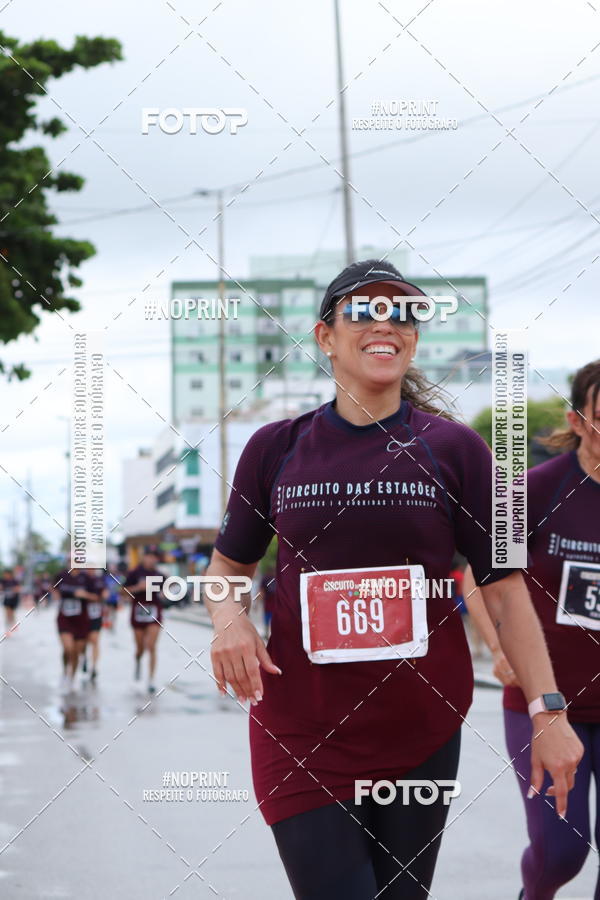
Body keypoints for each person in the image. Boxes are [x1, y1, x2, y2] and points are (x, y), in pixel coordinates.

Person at [204, 258, 583, 899]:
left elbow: (506, 589)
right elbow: (226, 569)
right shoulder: (276, 448)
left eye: (403, 312)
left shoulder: (458, 450)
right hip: (301, 730)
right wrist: (228, 620)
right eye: (365, 310)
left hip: (419, 732)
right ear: (325, 336)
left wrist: (548, 711)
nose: (388, 324)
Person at [465, 360, 600, 899]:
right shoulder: (533, 491)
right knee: (560, 853)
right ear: (577, 420)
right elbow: (478, 577)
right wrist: (498, 647)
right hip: (547, 704)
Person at [122, 547, 165, 694]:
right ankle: (138, 660)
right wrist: (138, 587)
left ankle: (151, 679)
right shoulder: (134, 573)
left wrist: (166, 593)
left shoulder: (160, 575)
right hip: (138, 612)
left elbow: (168, 591)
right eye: (149, 556)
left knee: (151, 646)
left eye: (154, 556)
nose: (152, 559)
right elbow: (123, 591)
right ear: (144, 557)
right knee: (140, 647)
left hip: (154, 612)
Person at [53, 562, 97, 692]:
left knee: (76, 652)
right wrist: (56, 594)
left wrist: (85, 595)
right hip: (64, 617)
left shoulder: (87, 578)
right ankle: (65, 672)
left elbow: (96, 596)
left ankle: (72, 678)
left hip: (81, 619)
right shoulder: (61, 575)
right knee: (68, 648)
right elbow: (53, 588)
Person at [84, 568, 108, 681]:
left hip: (96, 614)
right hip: (82, 615)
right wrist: (88, 596)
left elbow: (105, 592)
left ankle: (94, 667)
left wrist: (104, 595)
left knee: (95, 640)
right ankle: (83, 658)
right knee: (83, 641)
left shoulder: (100, 579)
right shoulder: (81, 578)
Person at [1, 568, 23, 635]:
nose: (5, 575)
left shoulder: (14, 581)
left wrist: (13, 589)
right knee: (7, 612)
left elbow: (19, 588)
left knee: (12, 612)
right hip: (7, 598)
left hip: (14, 599)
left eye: (6, 574)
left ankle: (13, 623)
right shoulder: (3, 581)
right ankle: (8, 628)